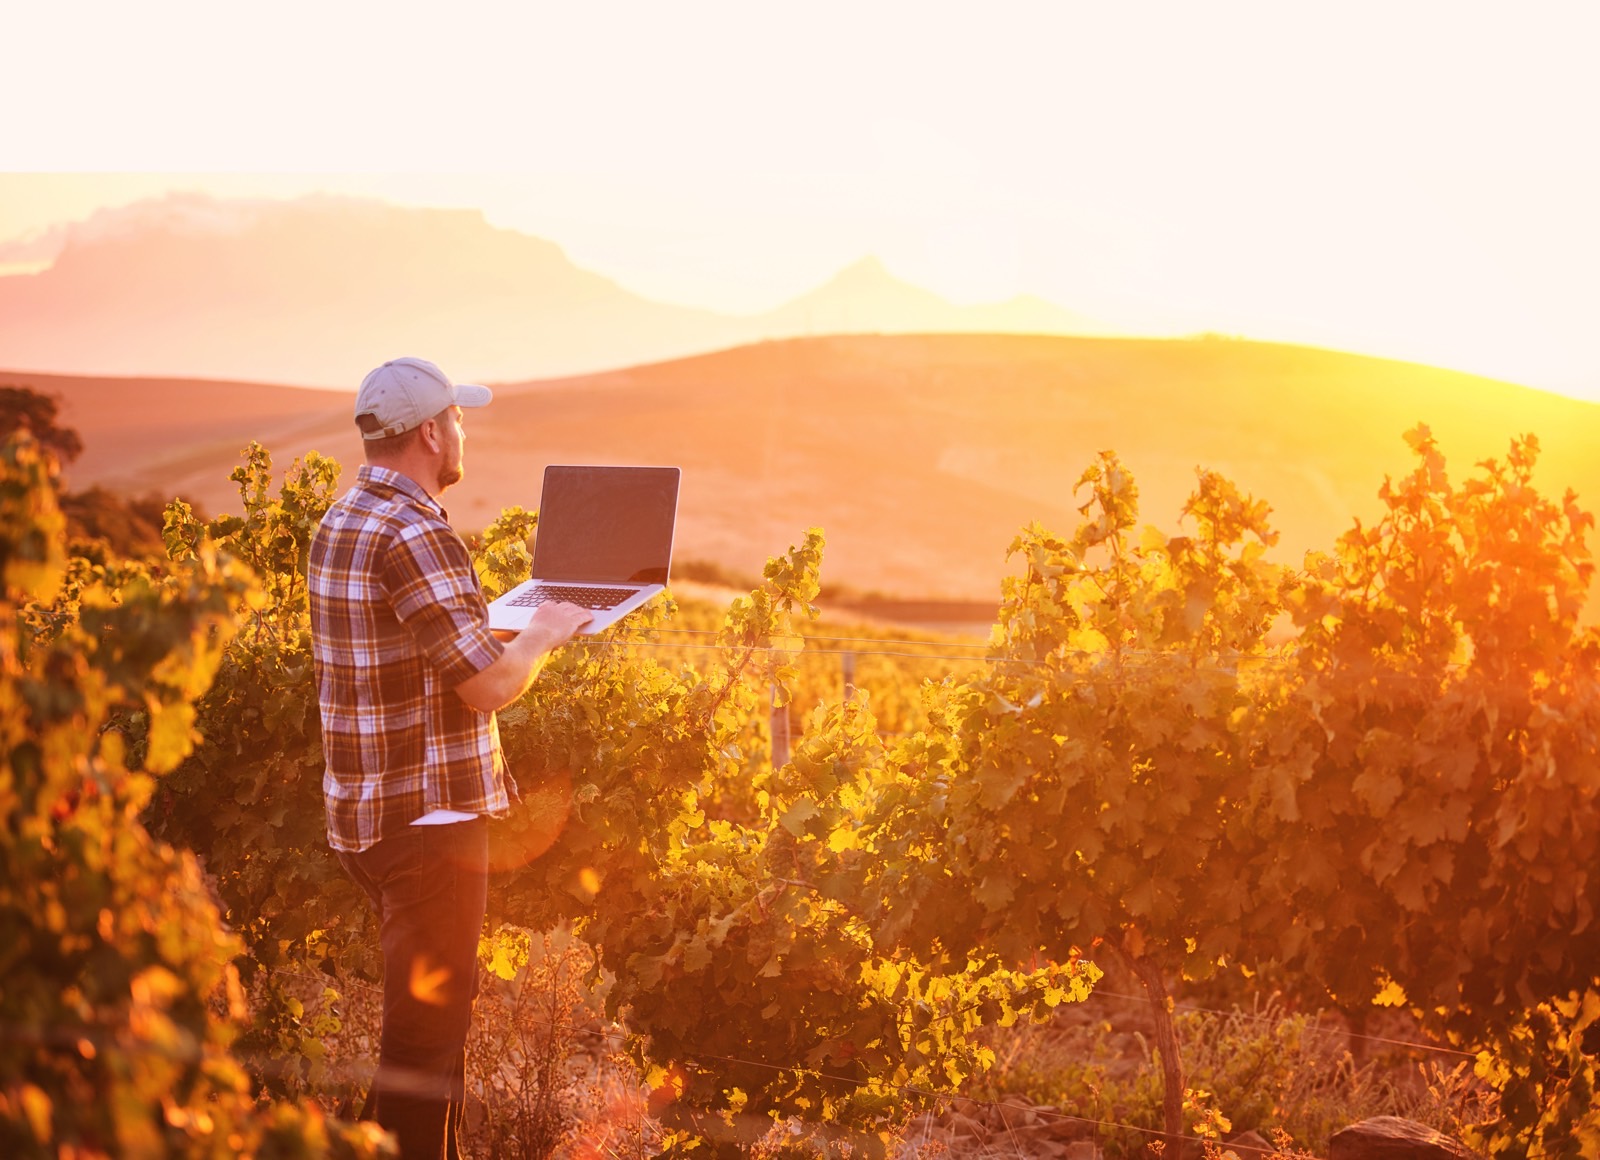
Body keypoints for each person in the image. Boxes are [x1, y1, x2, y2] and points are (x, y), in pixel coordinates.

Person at [307, 356, 591, 1159]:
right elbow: (490, 688)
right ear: (430, 432)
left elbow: (416, 644)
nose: (464, 430)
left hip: (370, 817)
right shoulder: (416, 531)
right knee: (423, 1050)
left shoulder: (346, 519)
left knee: (426, 1034)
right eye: (458, 419)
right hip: (430, 828)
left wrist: (491, 621)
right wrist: (544, 630)